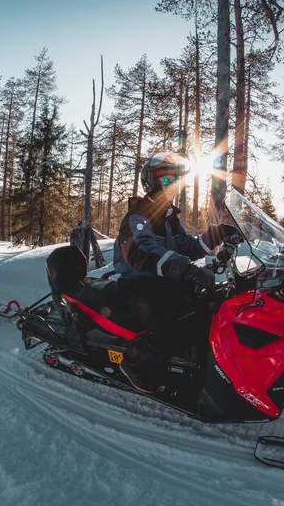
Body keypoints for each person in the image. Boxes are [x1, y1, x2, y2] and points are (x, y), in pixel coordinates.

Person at [114, 151, 239, 393]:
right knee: (168, 329)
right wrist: (184, 269)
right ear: (151, 182)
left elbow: (187, 247)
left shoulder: (169, 217)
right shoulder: (138, 216)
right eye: (167, 181)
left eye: (176, 182)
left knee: (206, 309)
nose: (173, 187)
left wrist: (217, 233)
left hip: (163, 282)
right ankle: (133, 363)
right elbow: (144, 252)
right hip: (137, 285)